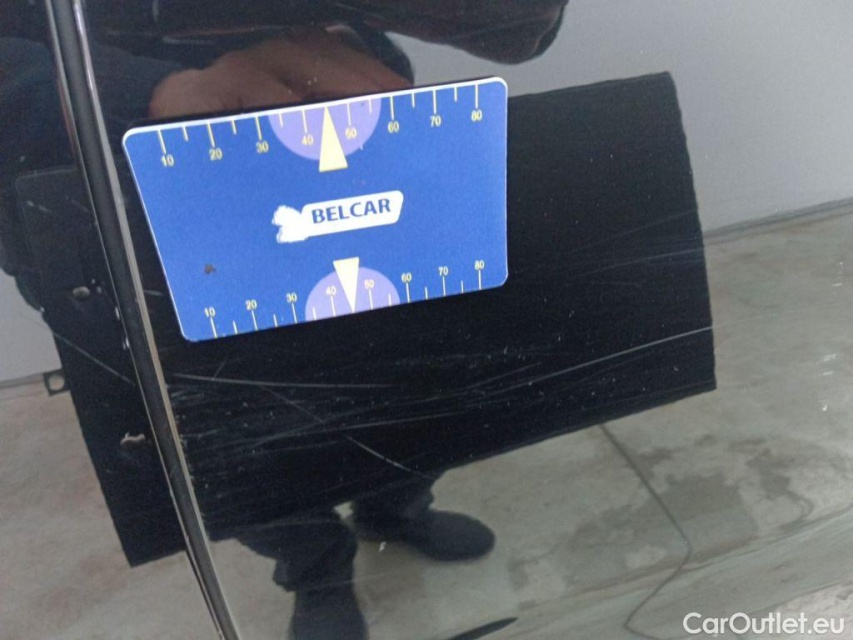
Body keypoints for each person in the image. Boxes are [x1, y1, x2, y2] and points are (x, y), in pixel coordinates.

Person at [1, 2, 568, 638]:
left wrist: (356, 33)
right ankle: (317, 569)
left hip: (327, 136)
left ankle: (393, 509)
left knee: (406, 384)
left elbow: (522, 25)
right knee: (220, 446)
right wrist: (138, 91)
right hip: (92, 195)